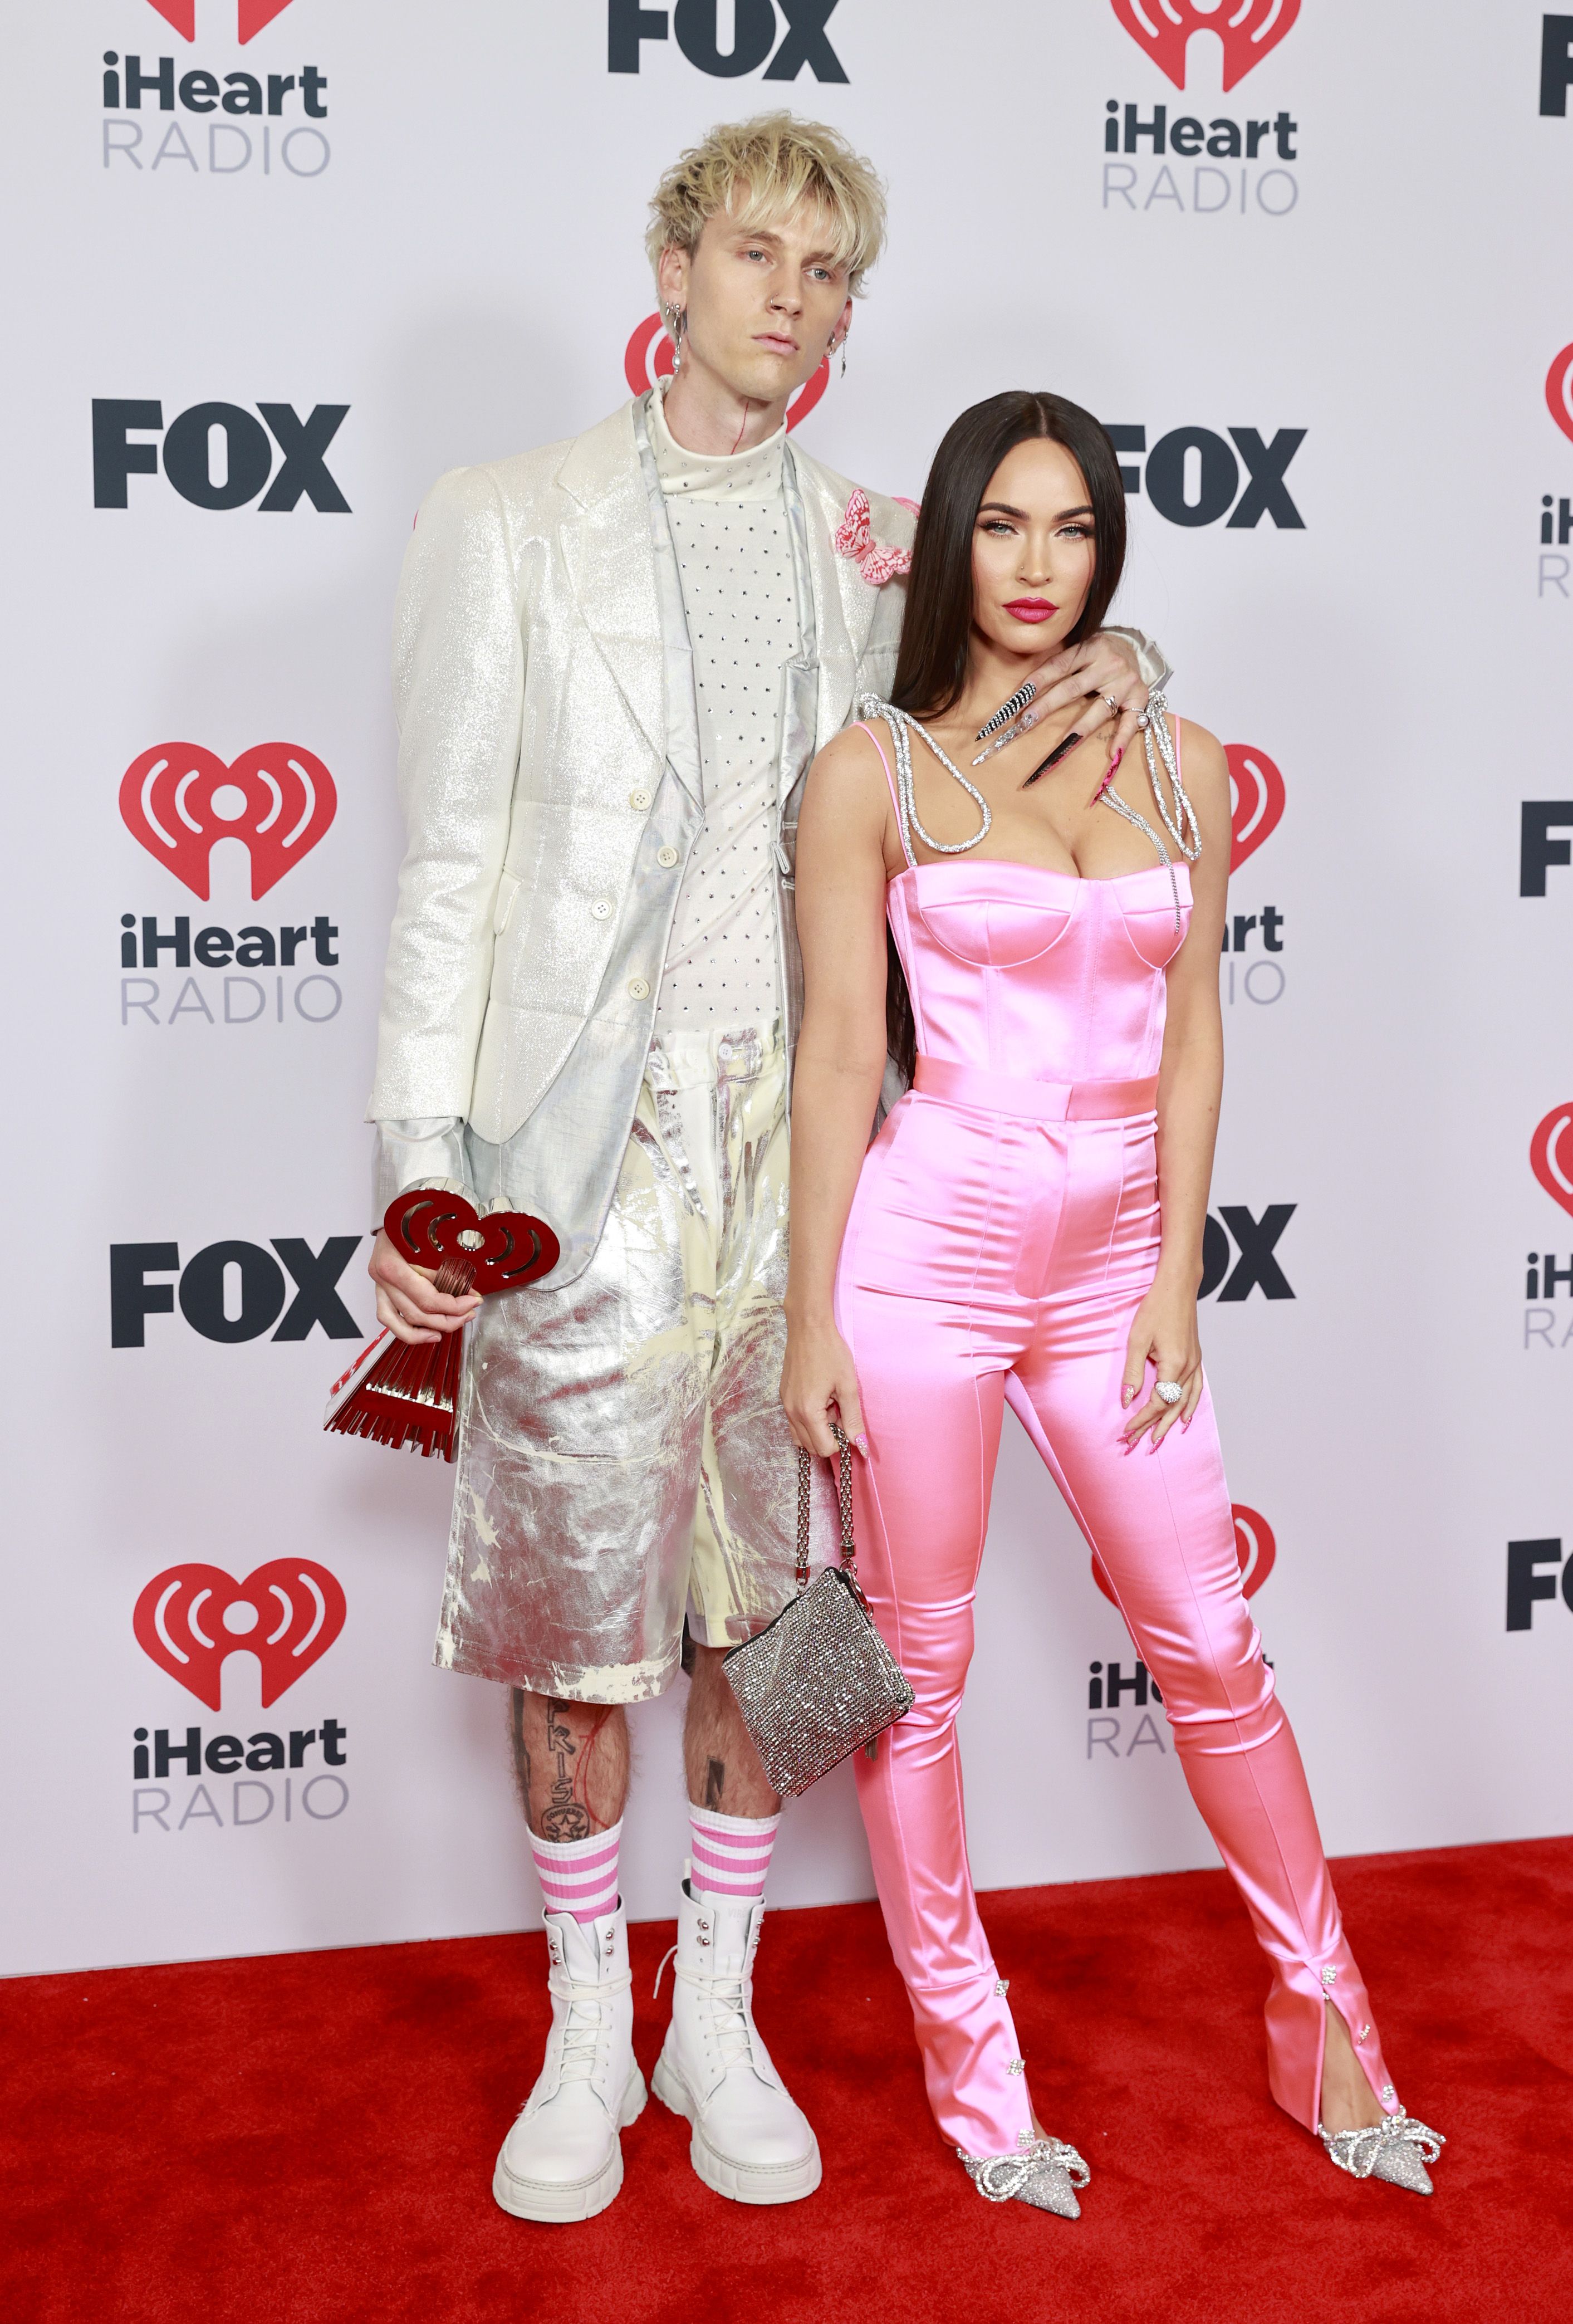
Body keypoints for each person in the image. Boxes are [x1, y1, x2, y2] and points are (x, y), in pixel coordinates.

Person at [364, 116, 1163, 2224]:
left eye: (829, 275)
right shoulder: (506, 519)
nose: (789, 300)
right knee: (571, 1615)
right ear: (673, 260)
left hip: (813, 1159)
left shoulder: (872, 543)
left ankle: (710, 2000)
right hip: (578, 1158)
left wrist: (1125, 661)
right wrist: (417, 1169)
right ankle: (579, 2018)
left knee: (777, 1605)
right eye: (755, 254)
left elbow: (996, 701)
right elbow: (445, 857)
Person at [780, 390, 1445, 2214]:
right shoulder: (874, 769)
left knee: (1213, 1650)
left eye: (1071, 529)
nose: (1035, 566)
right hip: (919, 1249)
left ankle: (1333, 2043)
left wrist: (1174, 1274)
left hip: (1111, 1270)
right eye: (1001, 526)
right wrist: (810, 1315)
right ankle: (979, 2087)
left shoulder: (1182, 764)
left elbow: (1196, 1026)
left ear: (1109, 549)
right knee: (911, 1681)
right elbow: (843, 1051)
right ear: (946, 543)